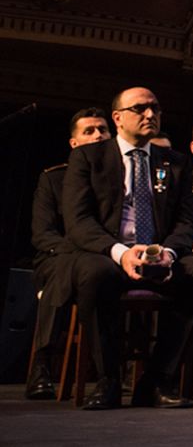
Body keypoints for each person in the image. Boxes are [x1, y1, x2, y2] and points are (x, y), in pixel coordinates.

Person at [61, 87, 193, 410]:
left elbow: (186, 222)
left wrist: (169, 253)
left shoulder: (175, 162)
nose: (150, 115)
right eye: (140, 109)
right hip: (109, 255)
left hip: (159, 256)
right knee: (94, 275)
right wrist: (121, 252)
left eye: (155, 108)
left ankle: (156, 380)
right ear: (118, 118)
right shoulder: (89, 157)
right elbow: (78, 221)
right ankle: (108, 379)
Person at [25, 108, 110, 399]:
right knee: (67, 268)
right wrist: (83, 252)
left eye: (103, 130)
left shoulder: (119, 179)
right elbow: (43, 234)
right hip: (57, 256)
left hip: (105, 259)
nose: (98, 135)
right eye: (89, 131)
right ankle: (42, 363)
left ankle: (109, 372)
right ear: (73, 144)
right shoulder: (53, 179)